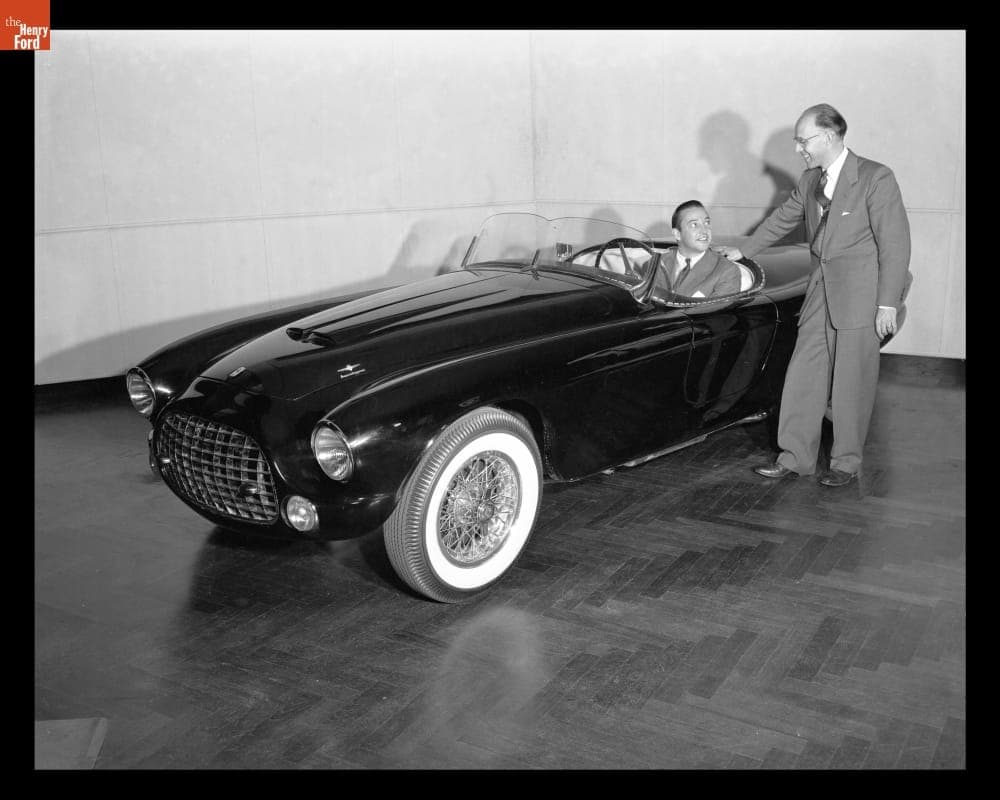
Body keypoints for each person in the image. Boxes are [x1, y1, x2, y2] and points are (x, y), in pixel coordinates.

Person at [716, 103, 911, 487]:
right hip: (819, 292)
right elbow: (782, 220)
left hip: (861, 297)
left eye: (803, 139)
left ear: (830, 135)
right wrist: (745, 251)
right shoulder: (810, 181)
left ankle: (845, 462)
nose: (798, 148)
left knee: (852, 382)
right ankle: (795, 457)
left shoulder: (875, 177)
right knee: (804, 373)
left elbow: (895, 245)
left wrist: (887, 302)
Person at [656, 200, 741, 299]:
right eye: (694, 225)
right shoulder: (655, 264)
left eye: (707, 222)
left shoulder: (726, 270)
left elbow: (716, 313)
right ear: (677, 234)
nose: (704, 230)